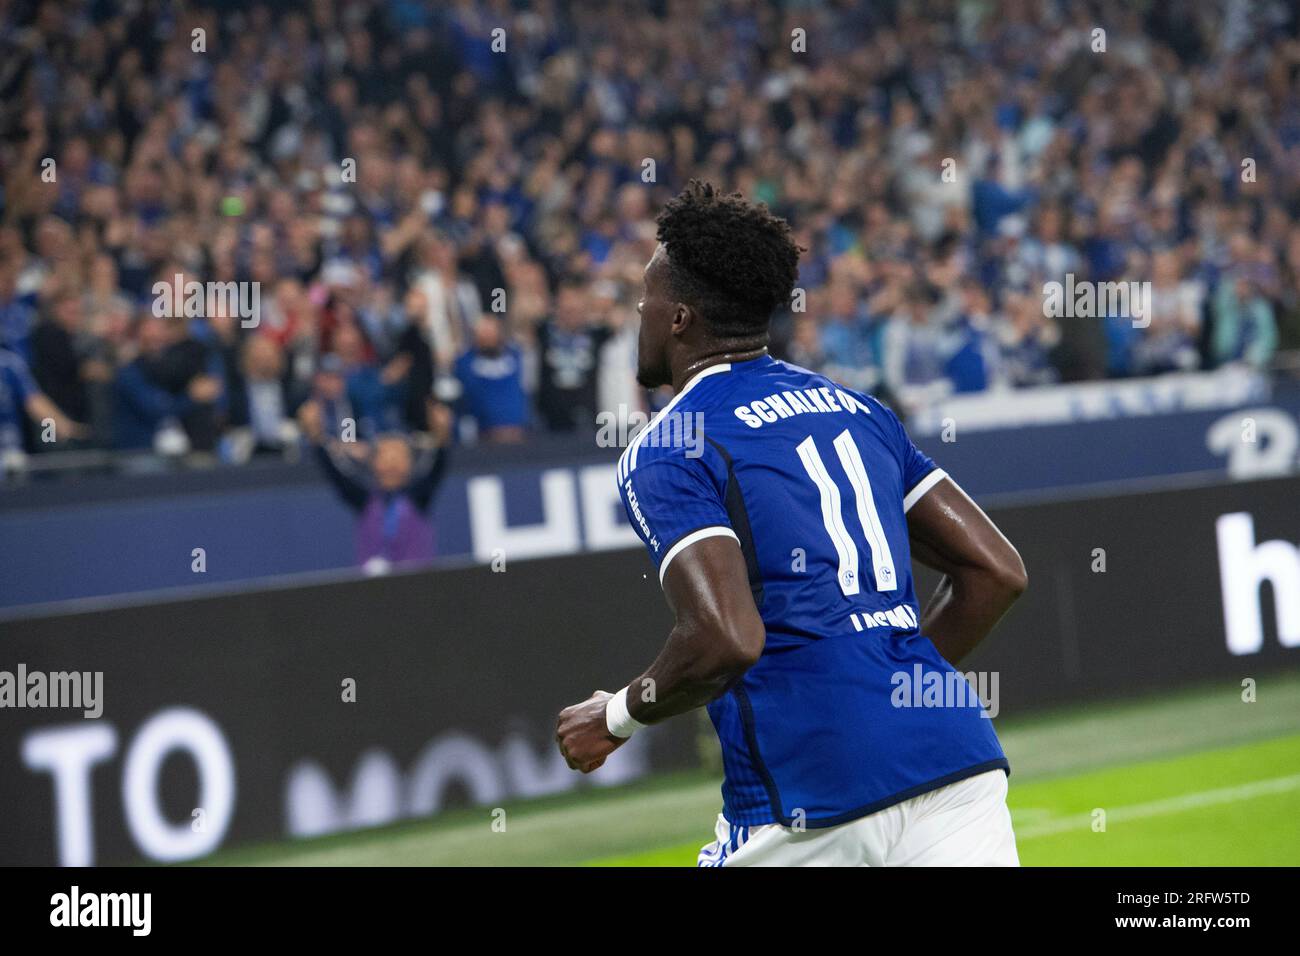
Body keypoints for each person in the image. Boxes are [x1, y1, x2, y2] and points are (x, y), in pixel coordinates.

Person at [555, 182, 1028, 867]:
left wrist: (616, 716)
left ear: (680, 319)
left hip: (811, 792)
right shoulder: (858, 410)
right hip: (956, 763)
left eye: (645, 303)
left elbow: (725, 636)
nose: (638, 317)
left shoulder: (669, 446)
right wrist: (895, 686)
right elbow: (996, 570)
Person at [298, 397, 451, 571]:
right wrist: (315, 435)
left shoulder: (419, 495)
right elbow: (335, 474)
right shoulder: (364, 499)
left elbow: (438, 465)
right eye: (386, 455)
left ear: (410, 463)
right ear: (374, 462)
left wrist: (442, 433)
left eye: (399, 455)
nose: (392, 462)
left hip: (417, 584)